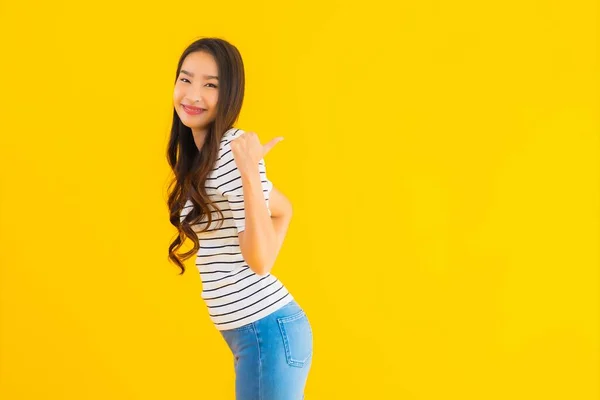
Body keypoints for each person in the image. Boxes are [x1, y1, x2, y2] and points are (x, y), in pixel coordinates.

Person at [165, 37, 313, 400]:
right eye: (185, 79)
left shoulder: (233, 152)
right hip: (256, 333)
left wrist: (250, 171)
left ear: (229, 94)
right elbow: (282, 209)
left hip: (264, 331)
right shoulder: (204, 157)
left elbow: (259, 262)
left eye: (210, 85)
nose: (193, 95)